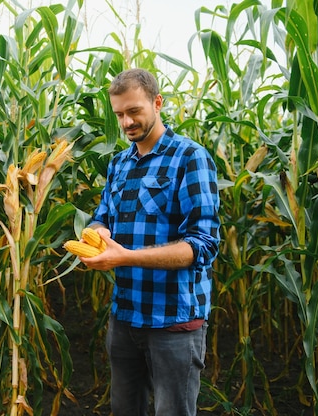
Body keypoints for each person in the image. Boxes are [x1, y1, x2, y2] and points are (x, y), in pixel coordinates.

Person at [78, 68, 220, 416]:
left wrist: (125, 257)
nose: (126, 122)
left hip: (173, 319)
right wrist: (99, 232)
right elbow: (103, 215)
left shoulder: (190, 158)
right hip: (126, 316)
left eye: (134, 111)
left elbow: (202, 245)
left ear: (157, 103)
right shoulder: (119, 164)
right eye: (119, 115)